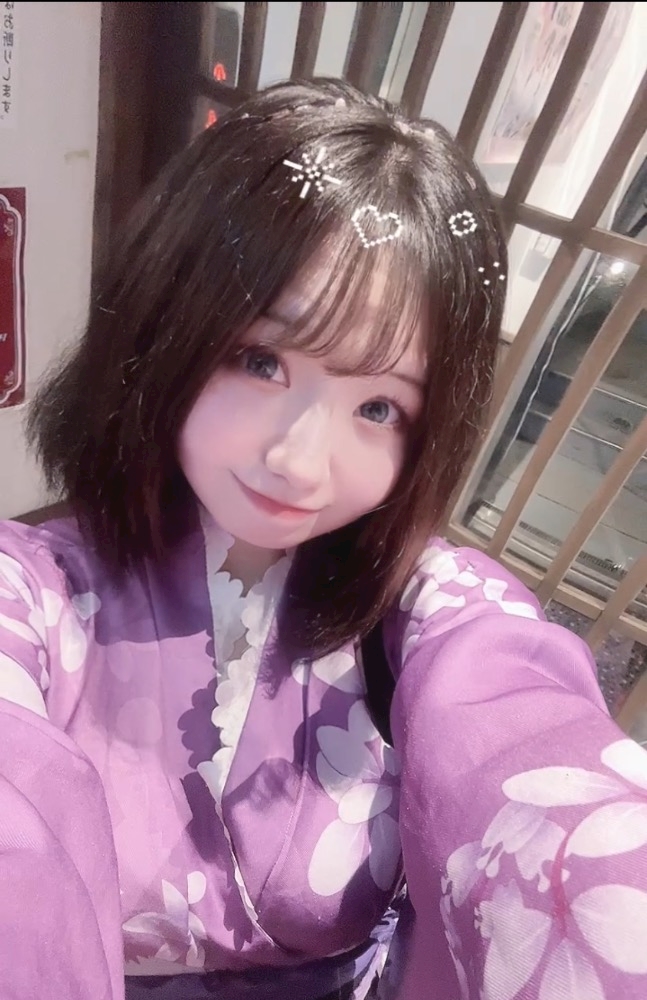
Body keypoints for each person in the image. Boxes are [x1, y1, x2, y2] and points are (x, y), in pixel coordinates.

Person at [0, 77, 645, 1000]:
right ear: (162, 328)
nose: (298, 462)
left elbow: (539, 769)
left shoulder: (429, 611)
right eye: (260, 360)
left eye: (378, 407)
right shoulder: (35, 587)